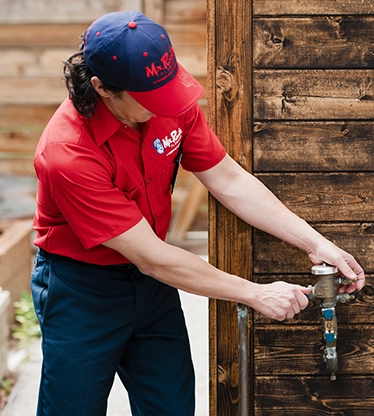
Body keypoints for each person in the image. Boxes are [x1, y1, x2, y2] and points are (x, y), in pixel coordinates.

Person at [31, 10, 365, 416]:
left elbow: (227, 179)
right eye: (150, 100)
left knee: (171, 406)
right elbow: (152, 256)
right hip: (82, 291)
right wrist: (255, 293)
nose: (165, 105)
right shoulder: (66, 153)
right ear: (102, 88)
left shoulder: (166, 99)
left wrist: (314, 243)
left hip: (152, 287)